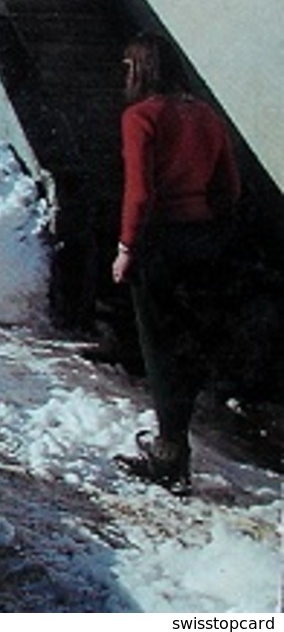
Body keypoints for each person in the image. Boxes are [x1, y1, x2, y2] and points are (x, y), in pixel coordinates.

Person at [111, 31, 241, 494]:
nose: (125, 75)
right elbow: (229, 186)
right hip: (204, 238)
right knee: (187, 342)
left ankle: (170, 453)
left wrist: (127, 247)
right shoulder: (206, 115)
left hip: (160, 242)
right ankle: (177, 440)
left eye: (129, 67)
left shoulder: (141, 117)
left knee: (160, 347)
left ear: (143, 69)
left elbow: (139, 193)